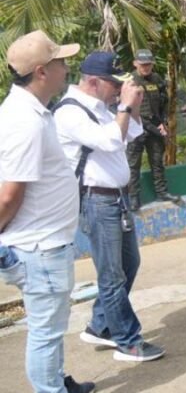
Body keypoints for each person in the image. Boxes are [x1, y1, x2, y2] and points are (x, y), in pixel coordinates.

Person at [54, 51, 165, 363]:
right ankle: (127, 341)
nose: (119, 88)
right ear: (93, 82)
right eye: (113, 83)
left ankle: (101, 325)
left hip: (117, 198)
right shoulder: (70, 112)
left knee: (130, 265)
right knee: (112, 274)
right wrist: (125, 105)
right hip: (96, 200)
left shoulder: (102, 107)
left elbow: (133, 132)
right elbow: (111, 142)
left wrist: (133, 106)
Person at [0, 31, 95, 393]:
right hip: (39, 247)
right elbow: (10, 194)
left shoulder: (31, 113)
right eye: (60, 62)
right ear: (41, 71)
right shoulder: (25, 122)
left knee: (52, 327)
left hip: (44, 243)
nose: (65, 67)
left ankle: (57, 383)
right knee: (45, 331)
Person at [125, 49, 181, 210]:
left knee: (157, 161)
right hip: (135, 128)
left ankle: (162, 192)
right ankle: (133, 197)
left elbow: (164, 102)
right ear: (135, 63)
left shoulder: (157, 79)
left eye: (148, 64)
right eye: (143, 64)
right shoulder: (130, 81)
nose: (146, 67)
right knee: (133, 164)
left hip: (155, 127)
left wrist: (163, 122)